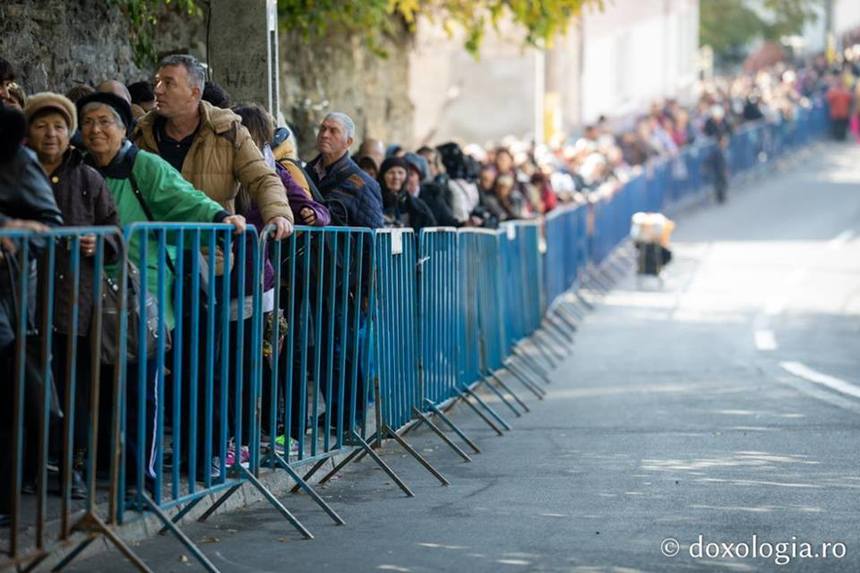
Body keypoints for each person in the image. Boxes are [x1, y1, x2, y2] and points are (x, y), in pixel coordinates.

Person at [76, 91, 246, 490]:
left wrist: (220, 216)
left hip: (141, 294)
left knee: (140, 388)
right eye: (88, 122)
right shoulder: (79, 169)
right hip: (88, 291)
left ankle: (141, 479)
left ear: (123, 129)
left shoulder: (144, 166)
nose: (95, 129)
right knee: (92, 386)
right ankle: (101, 465)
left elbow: (182, 197)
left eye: (105, 121)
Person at [25, 93, 121, 498]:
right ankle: (27, 470)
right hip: (21, 302)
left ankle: (69, 470)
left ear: (70, 134)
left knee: (73, 392)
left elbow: (114, 230)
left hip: (72, 301)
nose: (52, 134)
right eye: (42, 125)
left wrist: (97, 244)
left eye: (60, 126)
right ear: (28, 131)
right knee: (24, 390)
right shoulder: (14, 170)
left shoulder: (87, 177)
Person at [134, 54, 293, 239]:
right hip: (151, 254)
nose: (158, 90)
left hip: (209, 253)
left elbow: (263, 178)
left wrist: (278, 214)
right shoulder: (141, 133)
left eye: (169, 83)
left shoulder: (228, 131)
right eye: (157, 82)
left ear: (194, 93)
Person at [0, 103, 64, 525]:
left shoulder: (17, 161)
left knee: (8, 405)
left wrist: (12, 233)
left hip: (6, 303)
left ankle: (5, 501)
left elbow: (50, 228)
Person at [306, 112, 383, 228]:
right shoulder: (304, 172)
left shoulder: (363, 184)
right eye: (323, 128)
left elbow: (372, 235)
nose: (325, 135)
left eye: (333, 131)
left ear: (348, 142)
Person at [377, 156, 436, 230]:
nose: (396, 177)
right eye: (391, 172)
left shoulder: (419, 207)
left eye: (400, 172)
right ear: (382, 176)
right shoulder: (375, 203)